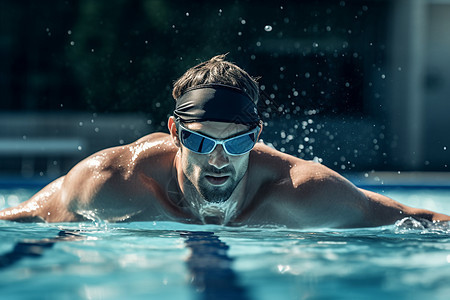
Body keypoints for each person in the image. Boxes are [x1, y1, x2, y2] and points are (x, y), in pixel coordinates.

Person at [1, 54, 449, 227]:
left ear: (256, 137)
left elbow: (418, 218)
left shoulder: (302, 193)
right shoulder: (112, 181)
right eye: (201, 142)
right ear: (175, 133)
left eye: (236, 145)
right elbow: (23, 216)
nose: (218, 159)